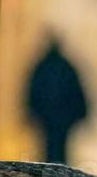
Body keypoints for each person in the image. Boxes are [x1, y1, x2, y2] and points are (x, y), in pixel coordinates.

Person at [26, 36, 88, 164]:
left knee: (49, 148)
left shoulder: (43, 66)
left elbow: (33, 91)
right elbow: (77, 93)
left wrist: (31, 111)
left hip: (50, 119)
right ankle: (58, 172)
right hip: (60, 119)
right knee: (59, 148)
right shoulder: (65, 66)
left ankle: (51, 172)